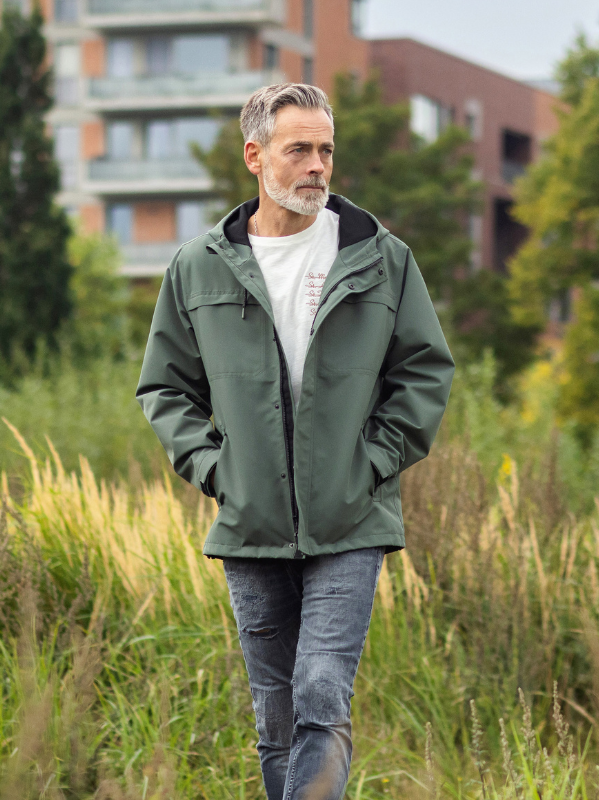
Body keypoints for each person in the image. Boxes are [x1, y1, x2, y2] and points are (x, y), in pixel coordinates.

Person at [135, 82, 455, 800]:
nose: (318, 165)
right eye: (299, 149)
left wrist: (371, 462)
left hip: (351, 520)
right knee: (274, 712)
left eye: (327, 150)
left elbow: (425, 373)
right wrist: (220, 472)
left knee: (319, 690)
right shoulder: (199, 266)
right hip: (250, 524)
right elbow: (165, 389)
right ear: (256, 157)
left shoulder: (382, 258)